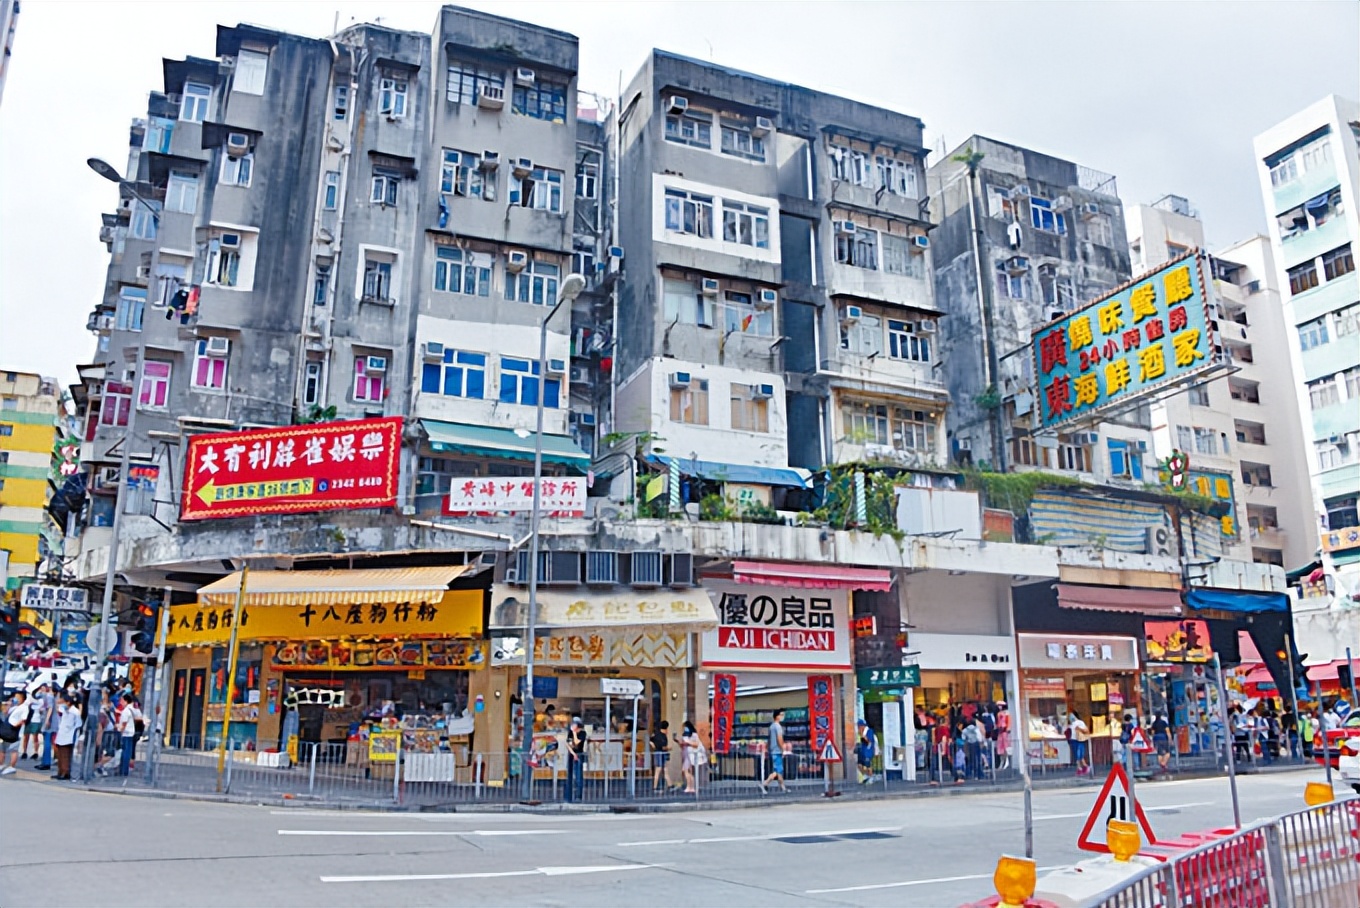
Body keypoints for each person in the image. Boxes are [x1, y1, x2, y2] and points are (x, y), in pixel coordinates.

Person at [54, 690, 82, 781]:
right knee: (60, 755)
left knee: (66, 755)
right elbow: (58, 708)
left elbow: (78, 724)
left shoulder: (75, 712)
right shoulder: (65, 710)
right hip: (61, 735)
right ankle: (60, 771)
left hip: (68, 736)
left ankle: (65, 773)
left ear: (68, 702)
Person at [2, 691, 29, 775]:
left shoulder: (24, 707)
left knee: (13, 749)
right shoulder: (14, 707)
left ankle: (12, 767)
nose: (16, 699)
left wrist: (16, 725)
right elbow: (5, 713)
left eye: (18, 697)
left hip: (15, 731)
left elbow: (23, 719)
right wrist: (9, 705)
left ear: (23, 699)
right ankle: (1, 764)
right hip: (7, 729)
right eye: (15, 697)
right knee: (2, 748)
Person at [761, 709, 788, 793]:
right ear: (777, 716)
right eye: (781, 715)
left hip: (772, 750)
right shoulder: (778, 727)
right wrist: (783, 748)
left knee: (779, 770)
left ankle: (783, 787)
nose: (782, 717)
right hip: (777, 751)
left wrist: (767, 748)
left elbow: (769, 739)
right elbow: (779, 738)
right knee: (777, 771)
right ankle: (765, 783)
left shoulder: (771, 726)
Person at [116, 692, 142, 776]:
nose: (121, 702)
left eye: (122, 700)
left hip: (126, 733)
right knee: (128, 751)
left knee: (125, 752)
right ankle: (125, 770)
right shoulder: (133, 709)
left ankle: (123, 770)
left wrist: (120, 729)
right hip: (131, 733)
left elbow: (124, 723)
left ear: (126, 701)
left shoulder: (126, 711)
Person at [563, 716, 587, 803]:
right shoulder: (570, 732)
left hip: (579, 755)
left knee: (578, 776)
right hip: (572, 755)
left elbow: (576, 743)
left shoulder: (582, 733)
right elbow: (569, 744)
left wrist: (574, 733)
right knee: (569, 775)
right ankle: (568, 796)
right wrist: (573, 753)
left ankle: (578, 796)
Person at [679, 720, 704, 794]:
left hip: (691, 755)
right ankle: (691, 786)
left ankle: (690, 787)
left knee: (686, 770)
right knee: (688, 771)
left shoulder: (693, 735)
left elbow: (696, 744)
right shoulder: (687, 736)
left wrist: (687, 742)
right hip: (686, 754)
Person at [22, 684, 46, 761]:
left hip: (36, 719)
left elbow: (44, 709)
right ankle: (24, 752)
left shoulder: (43, 699)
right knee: (26, 737)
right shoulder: (30, 698)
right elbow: (25, 705)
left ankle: (36, 752)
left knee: (35, 737)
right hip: (29, 719)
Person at [36, 682, 57, 771]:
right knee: (46, 741)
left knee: (47, 742)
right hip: (45, 720)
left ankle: (46, 762)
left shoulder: (49, 697)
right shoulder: (45, 697)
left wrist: (47, 720)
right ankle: (44, 761)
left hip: (49, 723)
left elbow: (50, 708)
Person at [650, 720, 671, 792]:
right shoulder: (661, 736)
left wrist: (653, 745)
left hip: (659, 753)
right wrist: (668, 748)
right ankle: (655, 787)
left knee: (664, 770)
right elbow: (662, 746)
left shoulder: (656, 735)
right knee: (658, 770)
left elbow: (651, 740)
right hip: (660, 753)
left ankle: (669, 785)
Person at [855, 719, 877, 784]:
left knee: (868, 765)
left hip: (868, 750)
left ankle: (871, 777)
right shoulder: (859, 732)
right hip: (862, 750)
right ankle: (865, 775)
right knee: (859, 765)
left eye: (859, 726)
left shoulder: (869, 731)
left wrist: (863, 736)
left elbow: (869, 741)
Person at [994, 701, 1011, 772]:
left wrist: (1007, 729)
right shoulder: (998, 714)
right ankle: (1002, 761)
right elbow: (998, 723)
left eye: (1000, 705)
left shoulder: (1007, 713)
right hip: (1000, 731)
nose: (999, 707)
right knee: (1000, 747)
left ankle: (1007, 761)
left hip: (1005, 732)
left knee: (1005, 747)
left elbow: (1009, 722)